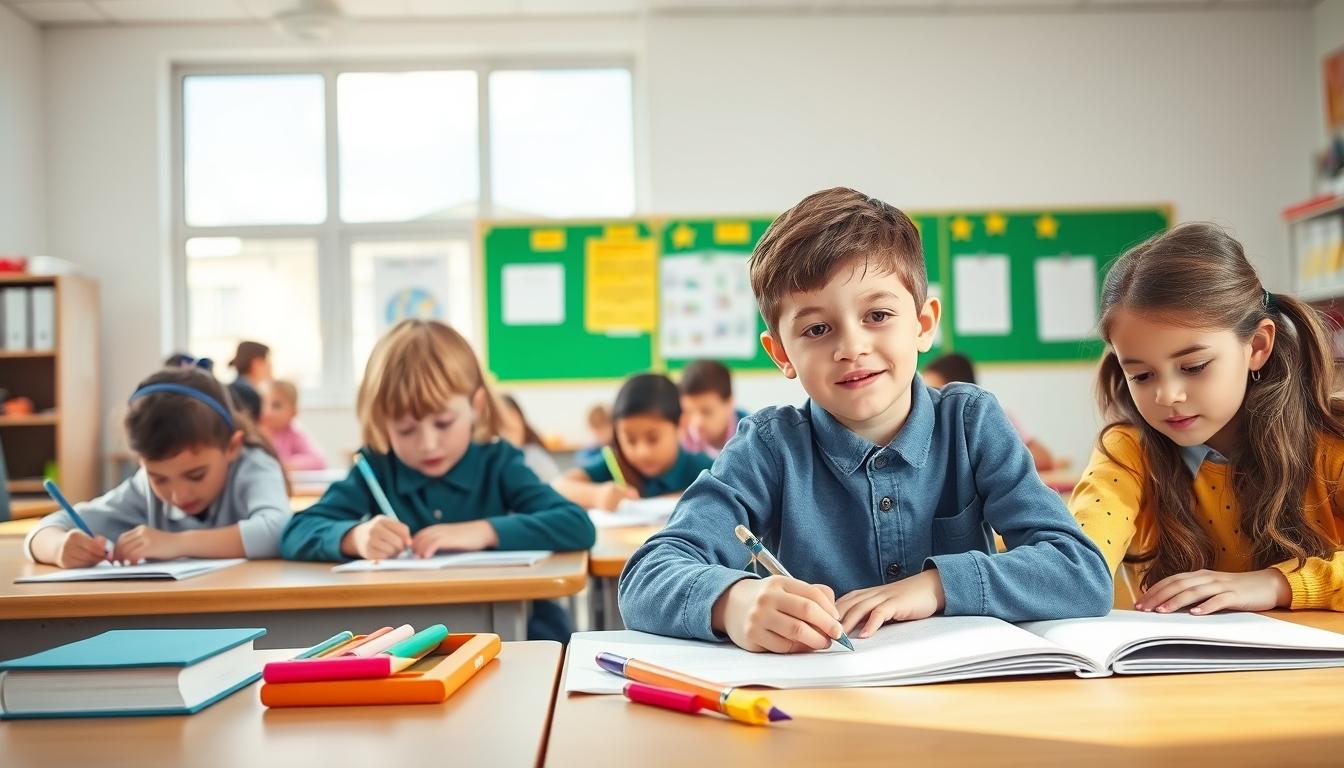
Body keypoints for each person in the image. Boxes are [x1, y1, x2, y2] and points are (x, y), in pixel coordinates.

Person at [618, 187, 1110, 653]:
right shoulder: (769, 447)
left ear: (922, 324)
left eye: (877, 315)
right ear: (781, 353)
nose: (851, 347)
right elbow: (646, 576)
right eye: (816, 328)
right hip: (820, 702)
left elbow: (1080, 572)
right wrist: (731, 602)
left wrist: (936, 586)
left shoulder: (971, 423)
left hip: (960, 696)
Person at [1072, 222, 1344, 614]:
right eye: (1142, 376)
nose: (1167, 395)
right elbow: (1079, 557)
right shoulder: (1128, 452)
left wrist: (1277, 584)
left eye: (1194, 366)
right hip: (1185, 676)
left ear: (1257, 346)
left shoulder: (1328, 444)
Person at [26, 367, 291, 566]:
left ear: (232, 448)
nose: (178, 495)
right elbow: (44, 530)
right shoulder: (143, 488)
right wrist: (60, 547)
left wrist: (176, 543)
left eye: (196, 475)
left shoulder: (253, 465)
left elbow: (279, 529)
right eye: (159, 479)